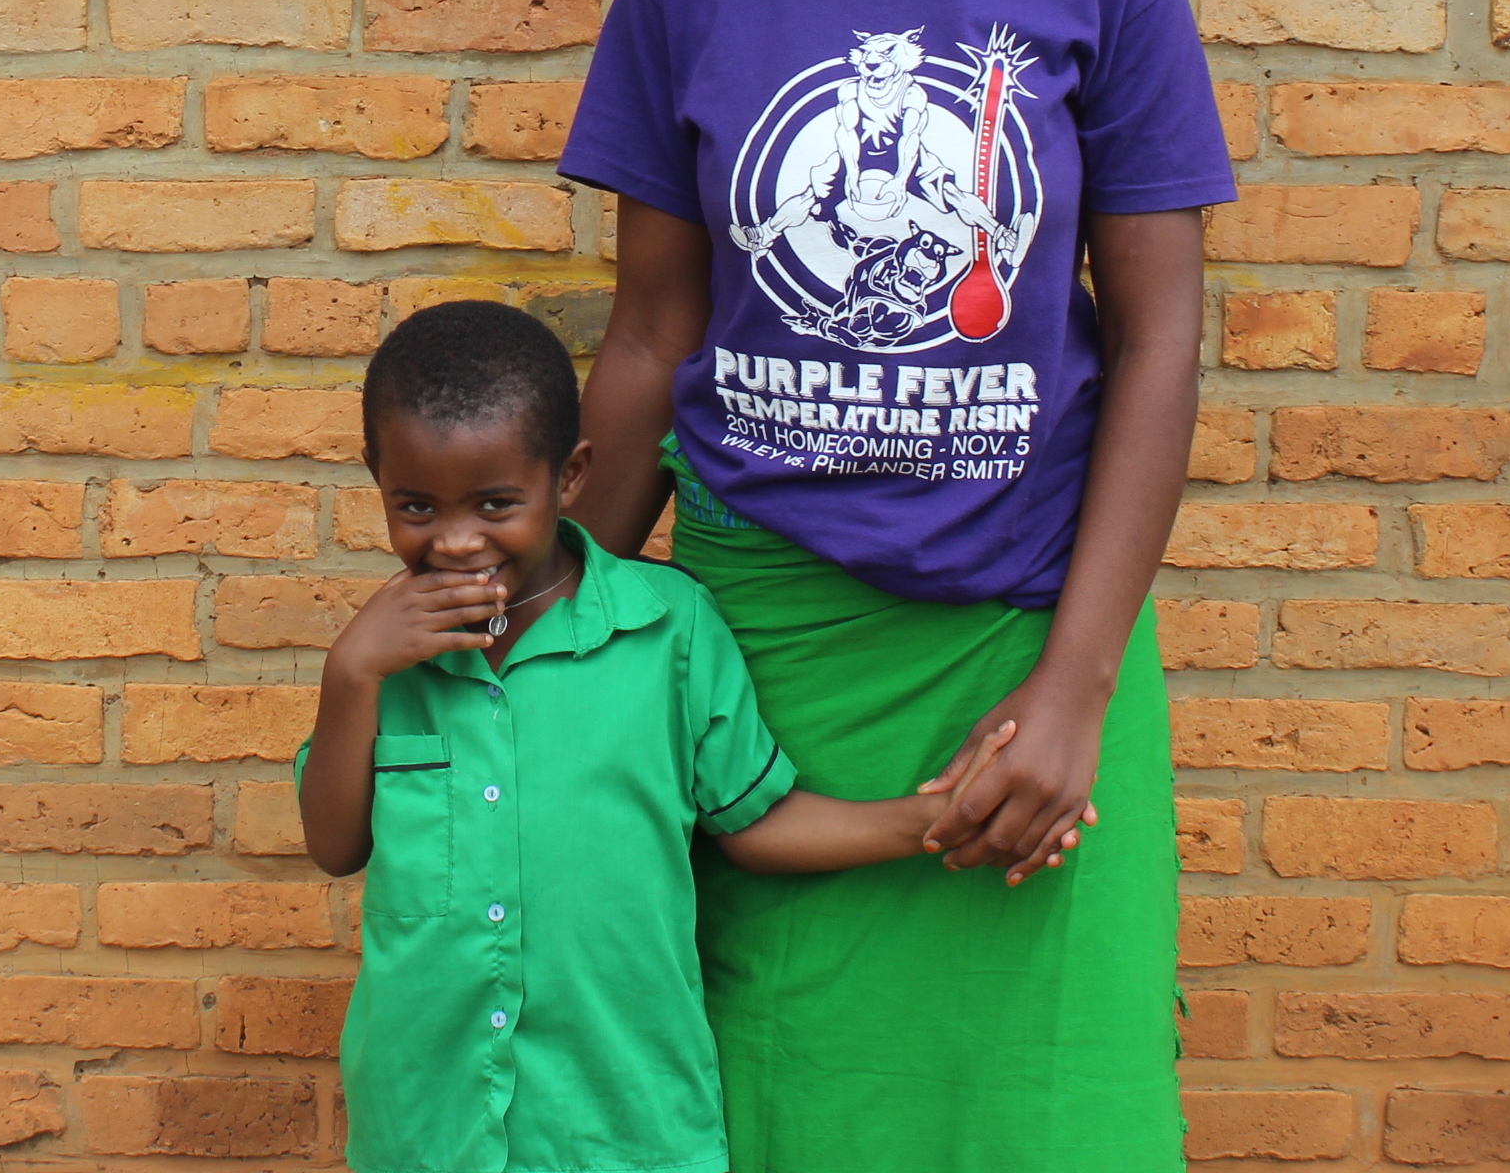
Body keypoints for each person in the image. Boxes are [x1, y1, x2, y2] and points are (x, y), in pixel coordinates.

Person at [560, 0, 1239, 1171]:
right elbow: (653, 334)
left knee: (1044, 1120)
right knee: (782, 1103)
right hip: (766, 669)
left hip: (1023, 656)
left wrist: (1075, 687)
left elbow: (1157, 341)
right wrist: (549, 617)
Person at [301, 299, 1023, 1173]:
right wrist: (351, 675)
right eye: (415, 506)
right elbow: (336, 844)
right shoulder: (382, 661)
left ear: (568, 478)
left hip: (623, 1124)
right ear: (376, 480)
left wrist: (928, 821)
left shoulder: (668, 631)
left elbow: (751, 821)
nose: (456, 542)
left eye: (496, 503)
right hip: (425, 1123)